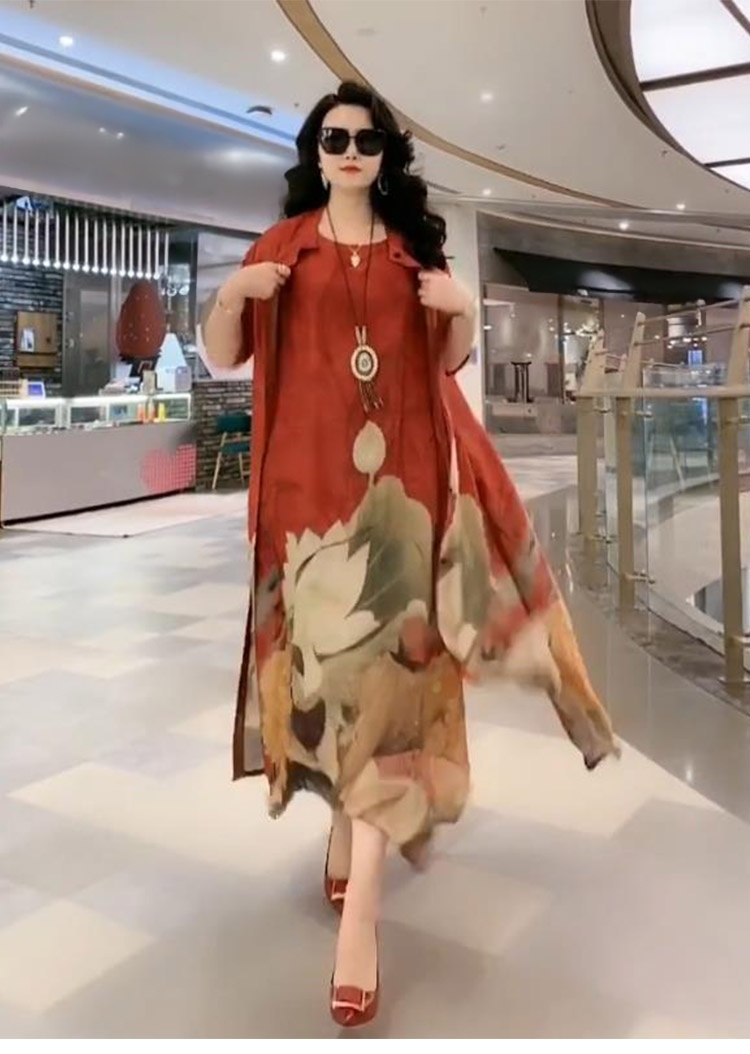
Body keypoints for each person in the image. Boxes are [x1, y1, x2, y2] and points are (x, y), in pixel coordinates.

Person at [204, 81, 618, 1029]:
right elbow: (225, 352)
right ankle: (345, 835)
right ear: (315, 152)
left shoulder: (411, 255)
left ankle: (363, 920)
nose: (350, 152)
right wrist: (232, 293)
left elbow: (444, 367)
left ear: (386, 155)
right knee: (329, 698)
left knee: (386, 702)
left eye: (367, 140)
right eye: (334, 139)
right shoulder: (280, 251)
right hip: (306, 519)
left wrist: (461, 307)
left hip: (401, 511)